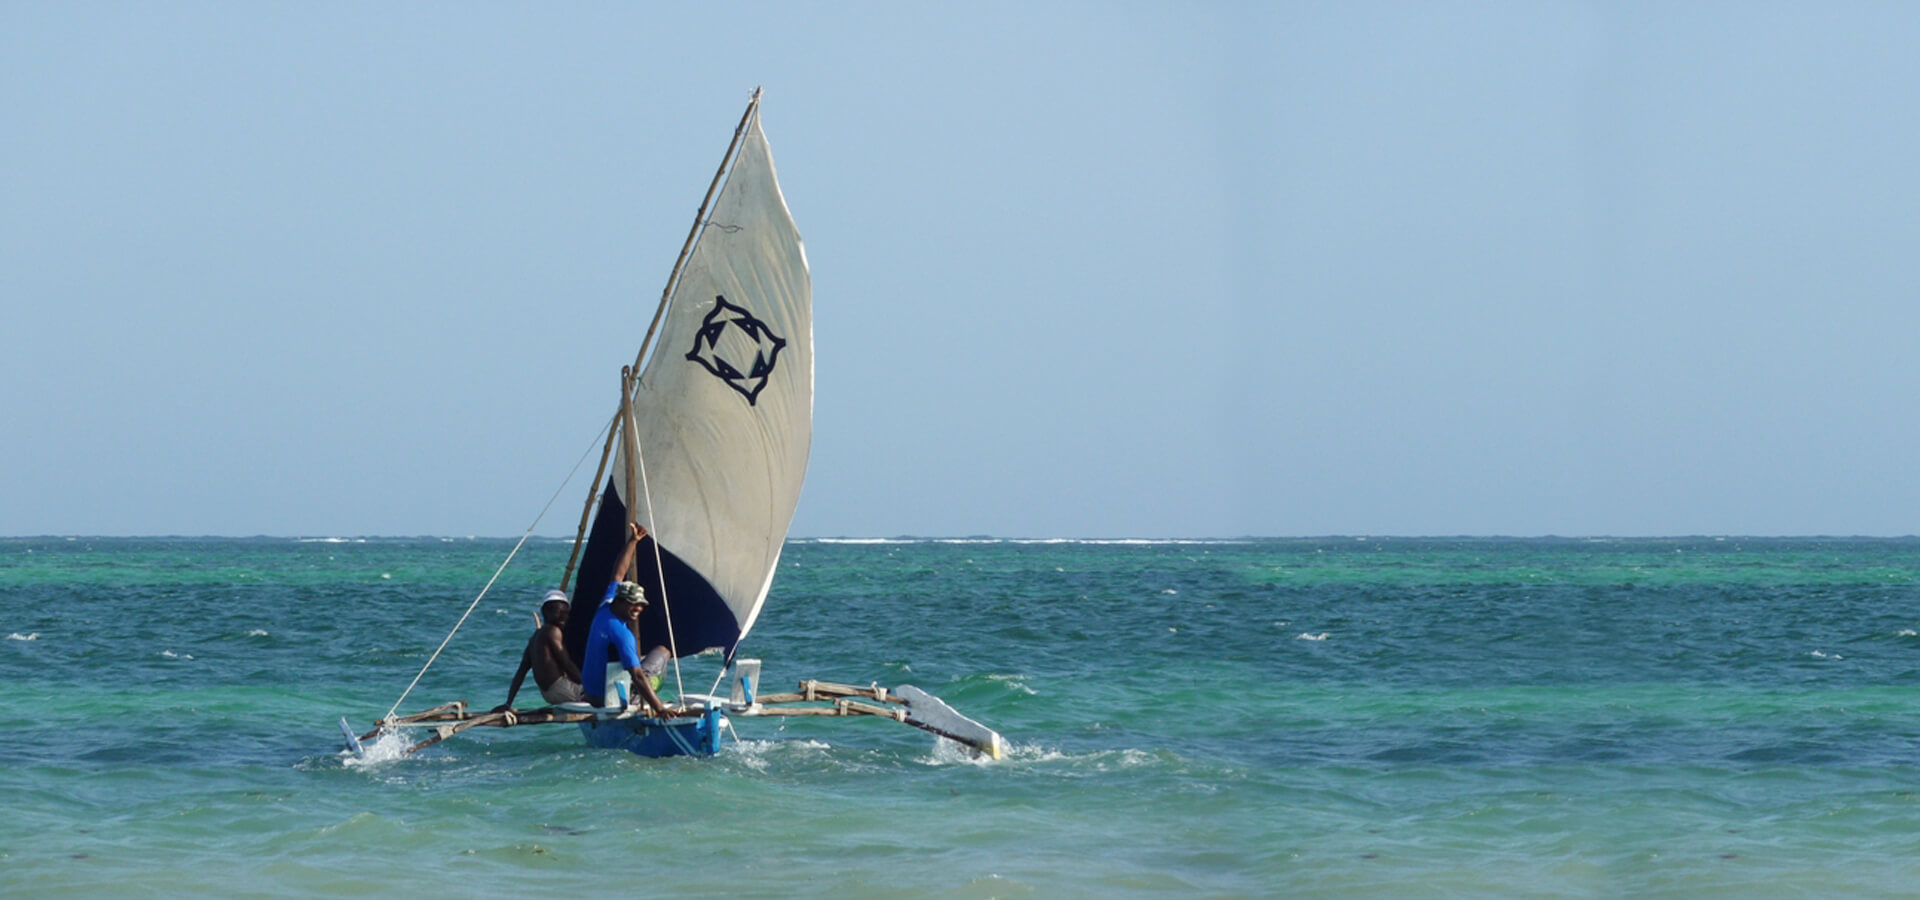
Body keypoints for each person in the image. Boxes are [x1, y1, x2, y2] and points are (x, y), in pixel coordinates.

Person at [580, 522, 677, 717]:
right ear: (621, 601)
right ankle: (647, 698)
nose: (638, 609)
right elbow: (638, 676)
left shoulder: (605, 606)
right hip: (609, 700)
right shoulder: (621, 633)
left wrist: (633, 541)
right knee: (663, 652)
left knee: (638, 659)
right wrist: (660, 709)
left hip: (590, 694)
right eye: (633, 604)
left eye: (641, 605)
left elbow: (619, 572)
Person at [493, 590, 584, 711]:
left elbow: (521, 672)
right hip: (562, 690)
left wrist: (508, 702)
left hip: (548, 694)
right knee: (600, 692)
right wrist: (586, 685)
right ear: (545, 612)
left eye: (565, 612)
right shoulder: (552, 631)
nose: (563, 616)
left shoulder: (534, 638)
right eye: (558, 611)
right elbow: (566, 664)